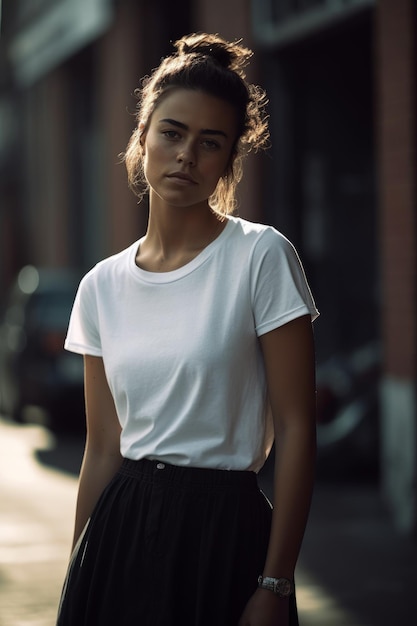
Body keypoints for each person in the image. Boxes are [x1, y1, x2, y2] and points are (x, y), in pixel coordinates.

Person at [56, 32, 319, 626]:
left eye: (210, 143)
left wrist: (274, 584)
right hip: (121, 529)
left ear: (229, 159)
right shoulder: (100, 285)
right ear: (143, 136)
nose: (185, 156)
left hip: (223, 536)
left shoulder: (261, 257)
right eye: (172, 133)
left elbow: (300, 429)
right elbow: (101, 448)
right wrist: (78, 576)